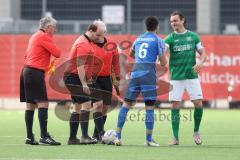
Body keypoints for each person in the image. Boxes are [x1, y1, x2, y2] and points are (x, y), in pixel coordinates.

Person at [115, 16, 167, 146]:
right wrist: (163, 53)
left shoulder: (138, 39)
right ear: (157, 27)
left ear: (146, 26)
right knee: (149, 107)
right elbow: (163, 62)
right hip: (148, 73)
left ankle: (118, 137)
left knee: (126, 104)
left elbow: (132, 54)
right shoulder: (158, 40)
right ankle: (148, 140)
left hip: (136, 72)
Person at [164, 11, 207, 145]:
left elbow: (203, 53)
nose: (173, 23)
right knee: (175, 105)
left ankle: (196, 131)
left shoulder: (193, 36)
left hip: (191, 76)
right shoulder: (169, 38)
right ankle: (175, 138)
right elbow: (163, 53)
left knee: (198, 103)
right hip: (176, 77)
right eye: (171, 21)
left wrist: (200, 62)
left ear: (182, 20)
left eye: (175, 20)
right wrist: (163, 59)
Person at [64, 20, 107, 145]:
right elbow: (80, 66)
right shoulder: (83, 43)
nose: (100, 38)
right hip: (73, 77)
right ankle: (84, 137)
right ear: (91, 31)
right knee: (87, 103)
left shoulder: (88, 41)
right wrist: (84, 84)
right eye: (98, 35)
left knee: (77, 106)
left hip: (74, 76)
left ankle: (72, 139)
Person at [20, 16, 61, 145]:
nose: (55, 30)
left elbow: (27, 55)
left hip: (26, 71)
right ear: (47, 27)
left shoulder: (35, 36)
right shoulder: (44, 36)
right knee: (43, 103)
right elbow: (57, 52)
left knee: (30, 104)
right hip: (34, 73)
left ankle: (29, 137)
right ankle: (44, 136)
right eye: (54, 28)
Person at [91, 25, 120, 141]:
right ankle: (102, 134)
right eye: (95, 33)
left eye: (98, 34)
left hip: (107, 79)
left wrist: (117, 79)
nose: (96, 36)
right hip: (93, 79)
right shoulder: (89, 44)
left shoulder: (112, 46)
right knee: (97, 105)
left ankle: (96, 135)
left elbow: (116, 64)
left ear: (104, 33)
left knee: (105, 108)